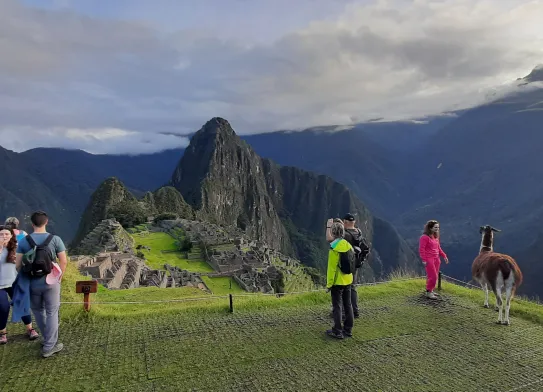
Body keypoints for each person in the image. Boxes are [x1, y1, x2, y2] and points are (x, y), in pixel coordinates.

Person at [15, 211, 67, 358]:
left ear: (32, 224)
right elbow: (63, 260)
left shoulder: (24, 241)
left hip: (32, 282)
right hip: (51, 282)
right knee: (52, 312)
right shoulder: (55, 239)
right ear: (46, 222)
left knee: (38, 311)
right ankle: (50, 346)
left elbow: (18, 265)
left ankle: (47, 340)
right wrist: (59, 276)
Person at [0, 225, 39, 344]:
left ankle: (30, 329)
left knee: (21, 304)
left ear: (11, 235)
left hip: (14, 282)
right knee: (3, 307)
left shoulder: (17, 248)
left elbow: (27, 260)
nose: (4, 236)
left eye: (6, 234)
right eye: (1, 234)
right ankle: (2, 333)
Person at [325, 221, 355, 339]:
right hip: (348, 280)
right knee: (348, 305)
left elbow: (331, 269)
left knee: (337, 306)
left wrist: (329, 285)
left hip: (337, 282)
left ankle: (337, 331)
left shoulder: (334, 249)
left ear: (333, 233)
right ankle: (348, 329)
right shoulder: (348, 246)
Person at [419, 220, 449, 299]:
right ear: (430, 228)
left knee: (433, 276)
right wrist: (424, 260)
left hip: (436, 259)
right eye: (435, 227)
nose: (437, 229)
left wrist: (444, 256)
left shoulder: (435, 237)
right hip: (429, 259)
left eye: (438, 227)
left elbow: (438, 248)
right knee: (433, 276)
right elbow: (421, 249)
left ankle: (431, 290)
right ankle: (428, 292)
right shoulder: (424, 237)